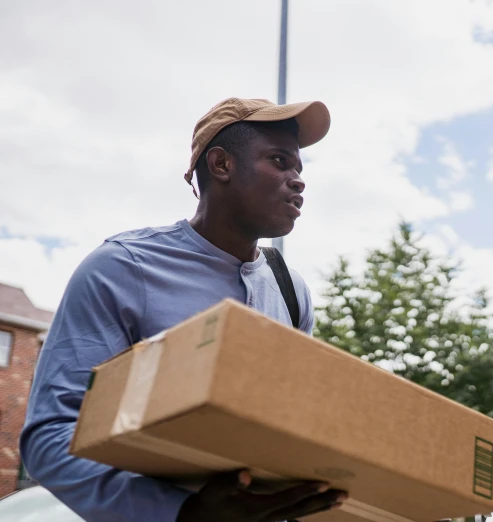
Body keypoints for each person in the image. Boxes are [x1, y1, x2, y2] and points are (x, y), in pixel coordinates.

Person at [20, 97, 346, 522]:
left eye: (299, 170)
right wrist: (182, 512)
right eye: (280, 161)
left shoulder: (290, 289)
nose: (297, 181)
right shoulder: (122, 268)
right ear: (221, 165)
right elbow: (51, 436)